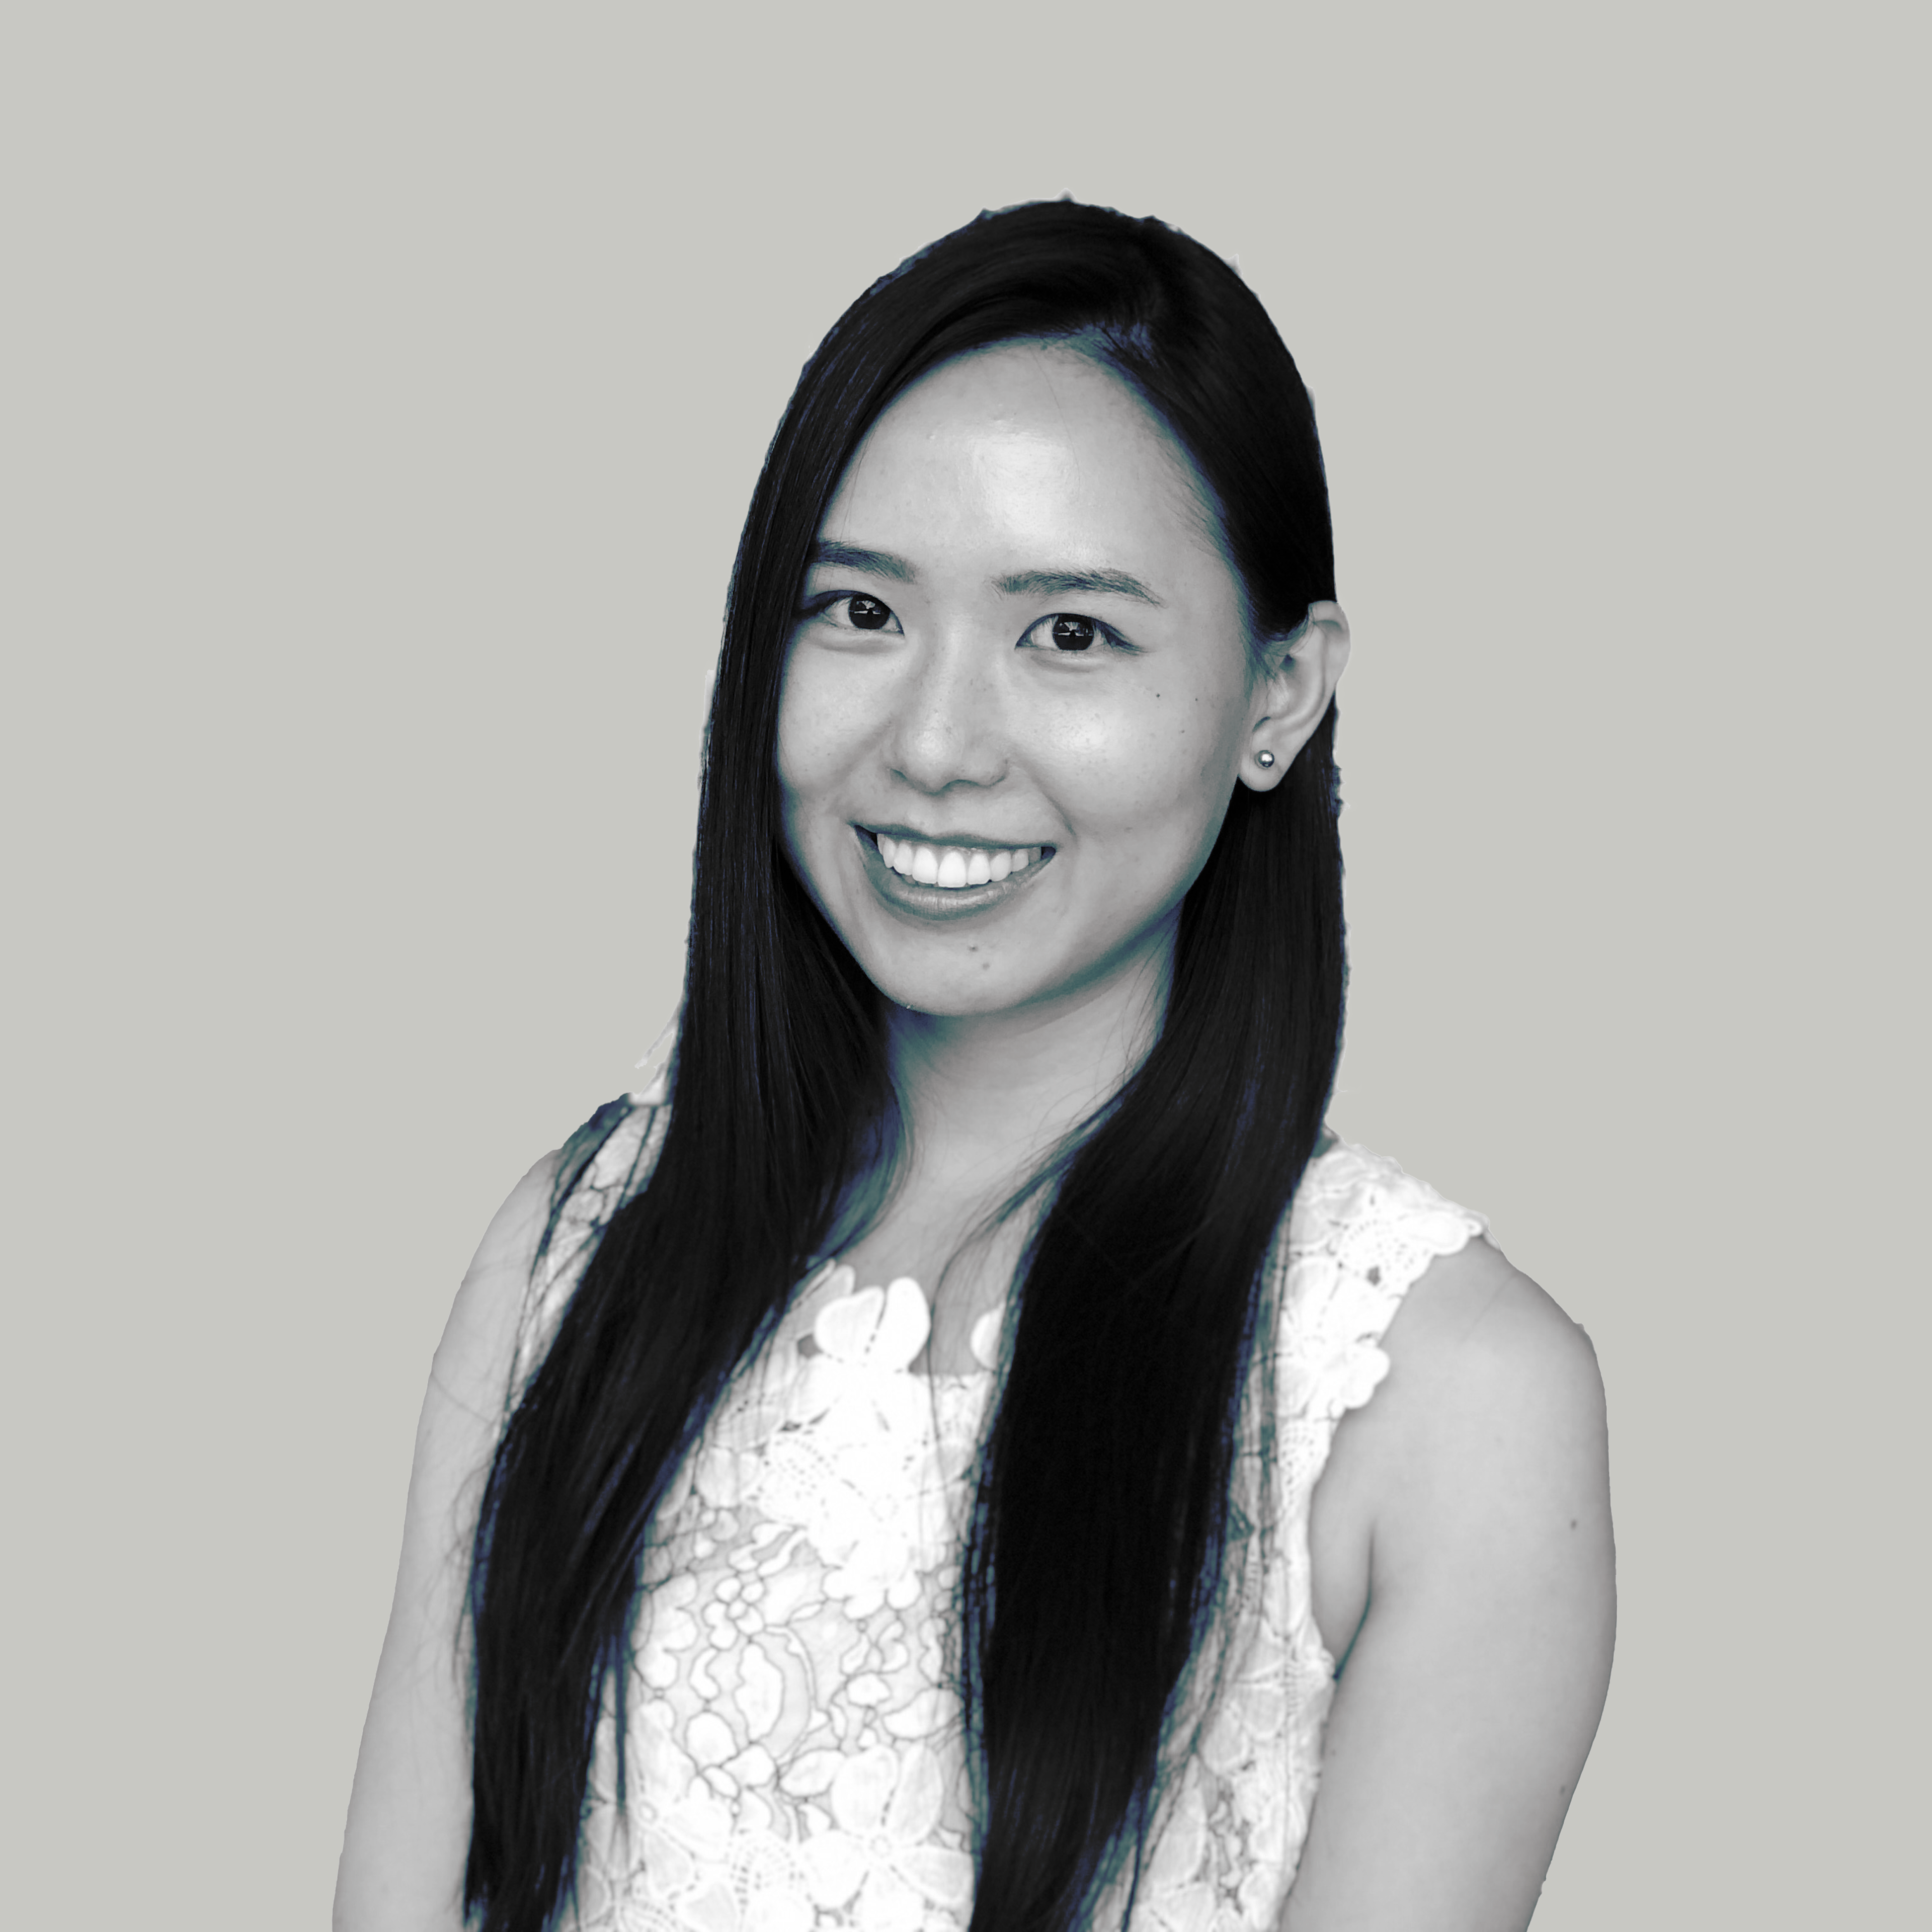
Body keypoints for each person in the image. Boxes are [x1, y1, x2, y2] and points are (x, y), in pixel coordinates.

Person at [336, 199, 1615, 1932]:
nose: (934, 746)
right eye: (859, 610)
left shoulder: (1446, 1397)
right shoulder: (579, 1240)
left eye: (1069, 633)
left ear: (1281, 694)